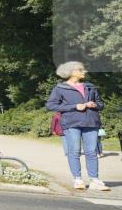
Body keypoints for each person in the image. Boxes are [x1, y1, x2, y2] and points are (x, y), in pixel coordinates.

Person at [46, 61, 108, 191]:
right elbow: (51, 105)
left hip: (91, 123)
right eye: (81, 70)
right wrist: (75, 106)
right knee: (74, 152)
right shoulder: (60, 88)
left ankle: (94, 180)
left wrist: (95, 105)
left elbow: (101, 104)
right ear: (73, 72)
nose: (84, 72)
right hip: (71, 123)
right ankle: (78, 179)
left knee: (92, 152)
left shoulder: (90, 87)